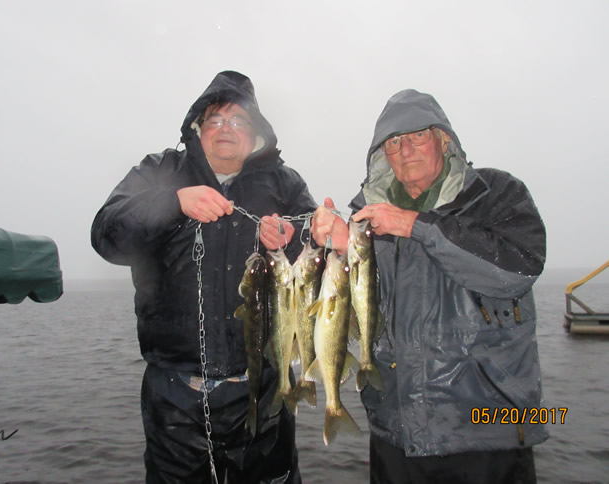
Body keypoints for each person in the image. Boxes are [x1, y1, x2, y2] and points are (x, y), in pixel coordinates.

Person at [311, 89, 548, 483]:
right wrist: (333, 247)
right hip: (396, 435)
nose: (405, 150)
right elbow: (338, 311)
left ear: (444, 140)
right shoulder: (366, 222)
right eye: (393, 142)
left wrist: (415, 226)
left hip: (490, 433)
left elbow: (517, 270)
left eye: (418, 135)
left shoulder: (496, 194)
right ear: (382, 156)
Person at [91, 70, 316, 483]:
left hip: (265, 384)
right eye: (216, 119)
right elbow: (106, 236)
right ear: (198, 127)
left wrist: (292, 240)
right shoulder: (160, 169)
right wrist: (172, 202)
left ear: (256, 133)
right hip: (174, 395)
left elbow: (317, 252)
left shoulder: (284, 183)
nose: (226, 128)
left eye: (238, 120)